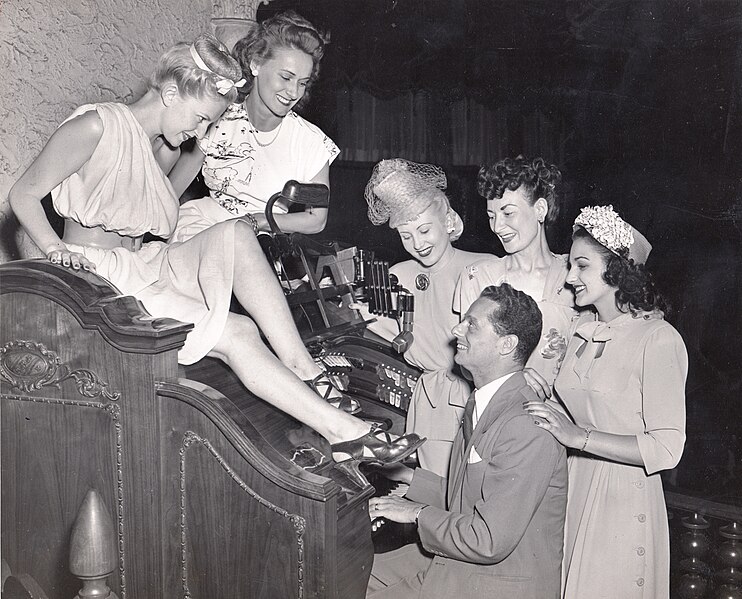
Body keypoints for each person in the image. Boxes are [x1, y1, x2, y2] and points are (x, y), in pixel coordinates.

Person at [8, 33, 423, 465]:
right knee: (238, 333)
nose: (202, 133)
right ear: (171, 93)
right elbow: (23, 194)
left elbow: (161, 206)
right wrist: (54, 249)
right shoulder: (95, 124)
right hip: (96, 272)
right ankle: (344, 432)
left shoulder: (163, 146)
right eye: (202, 119)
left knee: (236, 233)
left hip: (140, 263)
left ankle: (305, 369)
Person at [525, 205, 687, 598]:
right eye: (569, 266)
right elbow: (562, 411)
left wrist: (579, 437)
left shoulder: (658, 338)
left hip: (622, 498)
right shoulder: (582, 330)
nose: (569, 277)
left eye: (582, 266)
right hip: (573, 486)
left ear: (616, 270)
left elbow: (667, 448)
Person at [367, 284, 568, 599]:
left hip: (493, 583)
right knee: (351, 573)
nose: (456, 329)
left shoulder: (524, 426)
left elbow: (487, 540)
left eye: (471, 324)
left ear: (506, 345)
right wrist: (406, 475)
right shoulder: (483, 400)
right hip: (465, 563)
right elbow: (471, 498)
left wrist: (415, 512)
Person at [361, 158, 488, 476]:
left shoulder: (484, 268)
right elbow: (374, 324)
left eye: (424, 230)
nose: (417, 244)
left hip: (475, 400)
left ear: (447, 221)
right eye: (406, 236)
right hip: (427, 402)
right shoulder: (397, 275)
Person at [169, 11, 339, 240]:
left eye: (302, 83)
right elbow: (170, 193)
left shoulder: (311, 142)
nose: (293, 92)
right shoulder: (217, 118)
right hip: (200, 227)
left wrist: (257, 220)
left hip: (263, 237)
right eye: (286, 77)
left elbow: (316, 220)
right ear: (256, 64)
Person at [455, 156, 575, 390]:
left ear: (540, 209)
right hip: (502, 413)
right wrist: (514, 378)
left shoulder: (575, 275)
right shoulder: (478, 277)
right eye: (492, 216)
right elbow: (465, 363)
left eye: (508, 213)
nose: (497, 227)